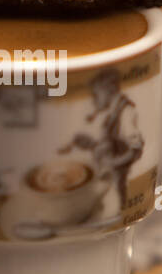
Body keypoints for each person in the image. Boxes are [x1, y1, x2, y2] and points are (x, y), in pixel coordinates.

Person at [59, 68, 144, 213]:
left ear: (109, 90)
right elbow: (111, 145)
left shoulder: (125, 112)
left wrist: (113, 163)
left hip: (115, 182)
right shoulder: (112, 113)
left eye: (96, 94)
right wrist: (91, 144)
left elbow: (135, 149)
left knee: (113, 212)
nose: (93, 99)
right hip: (107, 179)